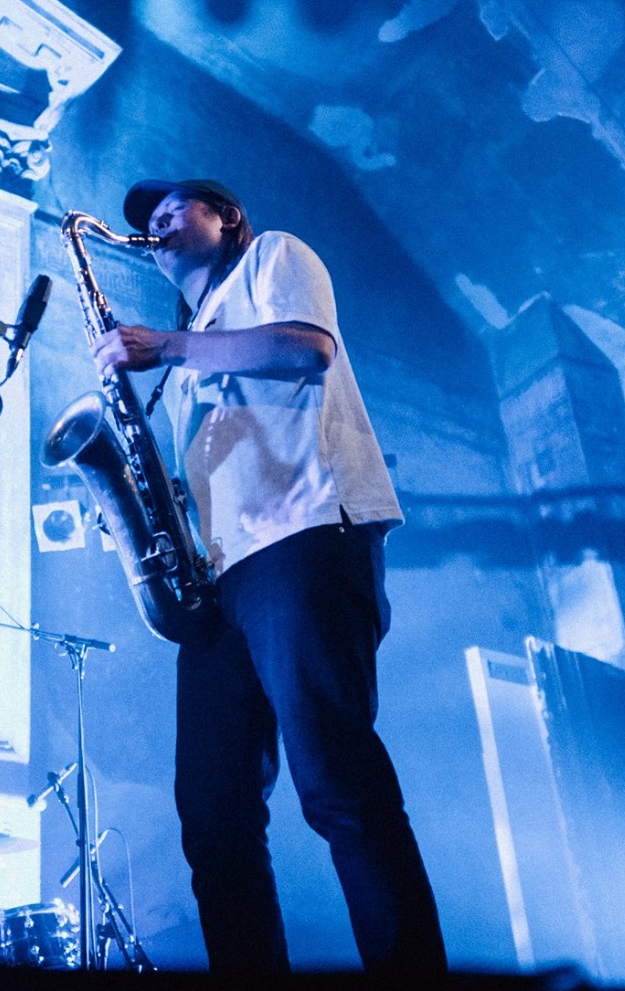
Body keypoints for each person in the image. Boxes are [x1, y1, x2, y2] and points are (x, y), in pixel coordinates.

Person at [90, 178, 446, 974]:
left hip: (307, 537)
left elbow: (306, 349)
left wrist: (167, 345)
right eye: (150, 220)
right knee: (213, 818)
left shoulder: (271, 258)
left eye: (178, 207)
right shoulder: (182, 364)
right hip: (223, 582)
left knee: (337, 787)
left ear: (230, 218)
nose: (158, 222)